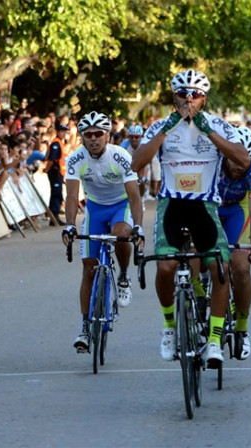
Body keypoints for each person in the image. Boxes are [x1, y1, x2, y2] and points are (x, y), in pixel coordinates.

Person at [131, 69, 250, 368]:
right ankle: (170, 327)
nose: (188, 99)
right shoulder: (161, 125)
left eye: (194, 94)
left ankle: (213, 339)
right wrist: (166, 130)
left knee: (219, 266)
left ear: (204, 99)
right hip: (172, 204)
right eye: (182, 94)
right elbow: (136, 163)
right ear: (174, 97)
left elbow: (243, 159)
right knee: (167, 265)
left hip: (205, 206)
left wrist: (207, 131)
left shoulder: (218, 125)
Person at [61, 111, 144, 353]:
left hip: (121, 205)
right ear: (82, 137)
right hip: (95, 209)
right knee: (88, 268)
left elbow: (134, 196)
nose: (94, 138)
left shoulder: (121, 156)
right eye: (89, 135)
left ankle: (124, 275)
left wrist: (137, 226)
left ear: (108, 135)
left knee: (121, 234)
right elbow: (72, 196)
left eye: (99, 134)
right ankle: (85, 327)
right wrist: (70, 225)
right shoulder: (76, 159)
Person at [215, 126, 251, 359]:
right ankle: (198, 299)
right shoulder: (212, 163)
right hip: (211, 209)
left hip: (238, 210)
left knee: (241, 266)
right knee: (197, 256)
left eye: (244, 161)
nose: (239, 166)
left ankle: (242, 328)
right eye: (234, 160)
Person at [44, 122, 69, 225]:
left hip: (59, 172)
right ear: (57, 132)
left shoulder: (60, 142)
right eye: (62, 131)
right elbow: (52, 159)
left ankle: (55, 216)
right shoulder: (56, 143)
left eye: (65, 131)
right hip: (55, 172)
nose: (64, 133)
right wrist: (47, 169)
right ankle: (54, 216)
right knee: (56, 194)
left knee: (57, 194)